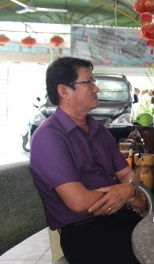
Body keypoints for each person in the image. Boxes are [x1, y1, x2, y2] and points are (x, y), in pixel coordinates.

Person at [29, 57, 145, 264]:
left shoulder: (98, 130)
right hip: (85, 232)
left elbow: (128, 175)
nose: (96, 89)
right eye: (88, 82)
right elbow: (79, 202)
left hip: (119, 220)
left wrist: (127, 189)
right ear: (64, 91)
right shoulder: (50, 136)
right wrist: (127, 193)